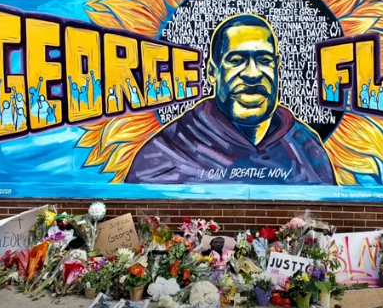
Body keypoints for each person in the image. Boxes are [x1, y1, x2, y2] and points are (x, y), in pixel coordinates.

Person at [125, 14, 336, 185]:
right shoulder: (168, 152)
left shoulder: (306, 148)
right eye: (236, 60)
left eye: (264, 60)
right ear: (212, 72)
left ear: (277, 67)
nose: (253, 74)